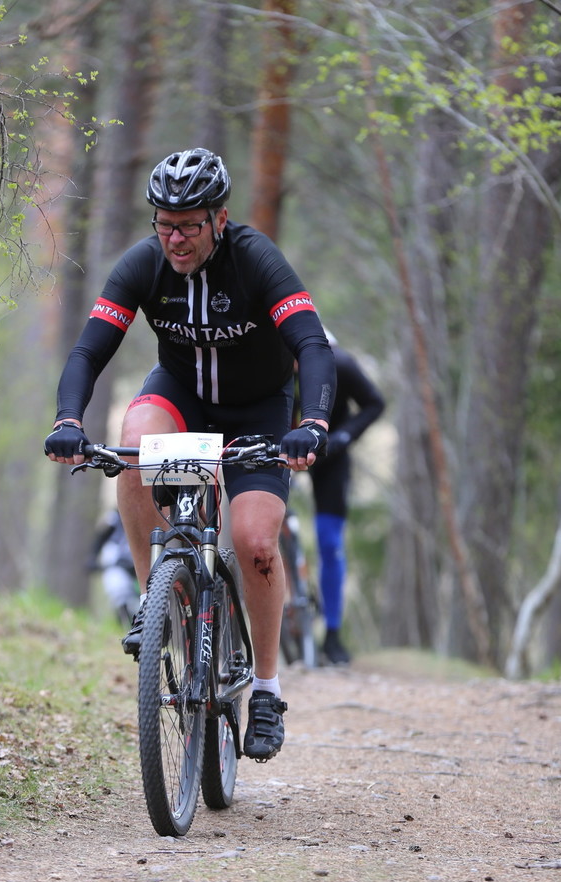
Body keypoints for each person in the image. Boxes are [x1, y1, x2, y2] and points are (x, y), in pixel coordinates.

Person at [44, 147, 336, 761]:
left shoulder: (255, 259)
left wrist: (311, 423)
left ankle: (265, 689)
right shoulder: (143, 263)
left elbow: (311, 344)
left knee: (255, 541)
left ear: (219, 219)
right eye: (164, 225)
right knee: (133, 447)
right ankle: (156, 605)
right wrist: (68, 419)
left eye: (189, 226)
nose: (175, 239)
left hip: (259, 409)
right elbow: (88, 351)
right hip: (182, 396)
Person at [295, 336, 385, 664]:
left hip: (330, 456)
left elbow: (375, 403)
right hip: (281, 448)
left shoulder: (340, 363)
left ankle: (332, 634)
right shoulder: (272, 361)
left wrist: (343, 437)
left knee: (329, 542)